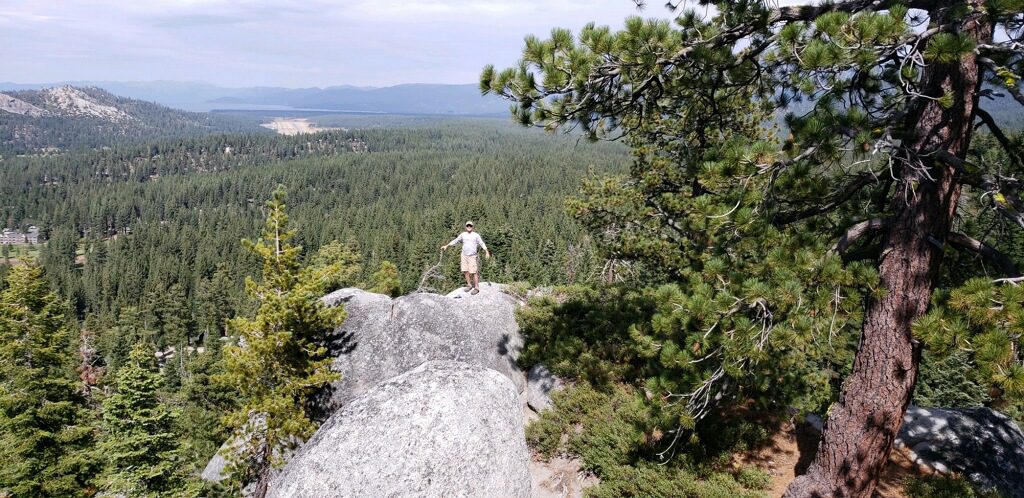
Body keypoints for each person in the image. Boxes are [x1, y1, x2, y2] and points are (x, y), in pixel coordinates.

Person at [441, 221, 491, 295]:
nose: (469, 227)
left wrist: (486, 251)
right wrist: (447, 245)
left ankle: (476, 287)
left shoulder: (476, 235)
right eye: (467, 226)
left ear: (472, 227)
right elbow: (455, 240)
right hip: (464, 255)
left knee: (474, 272)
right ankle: (469, 285)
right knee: (465, 270)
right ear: (465, 227)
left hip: (472, 256)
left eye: (470, 226)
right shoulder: (463, 235)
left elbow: (481, 243)